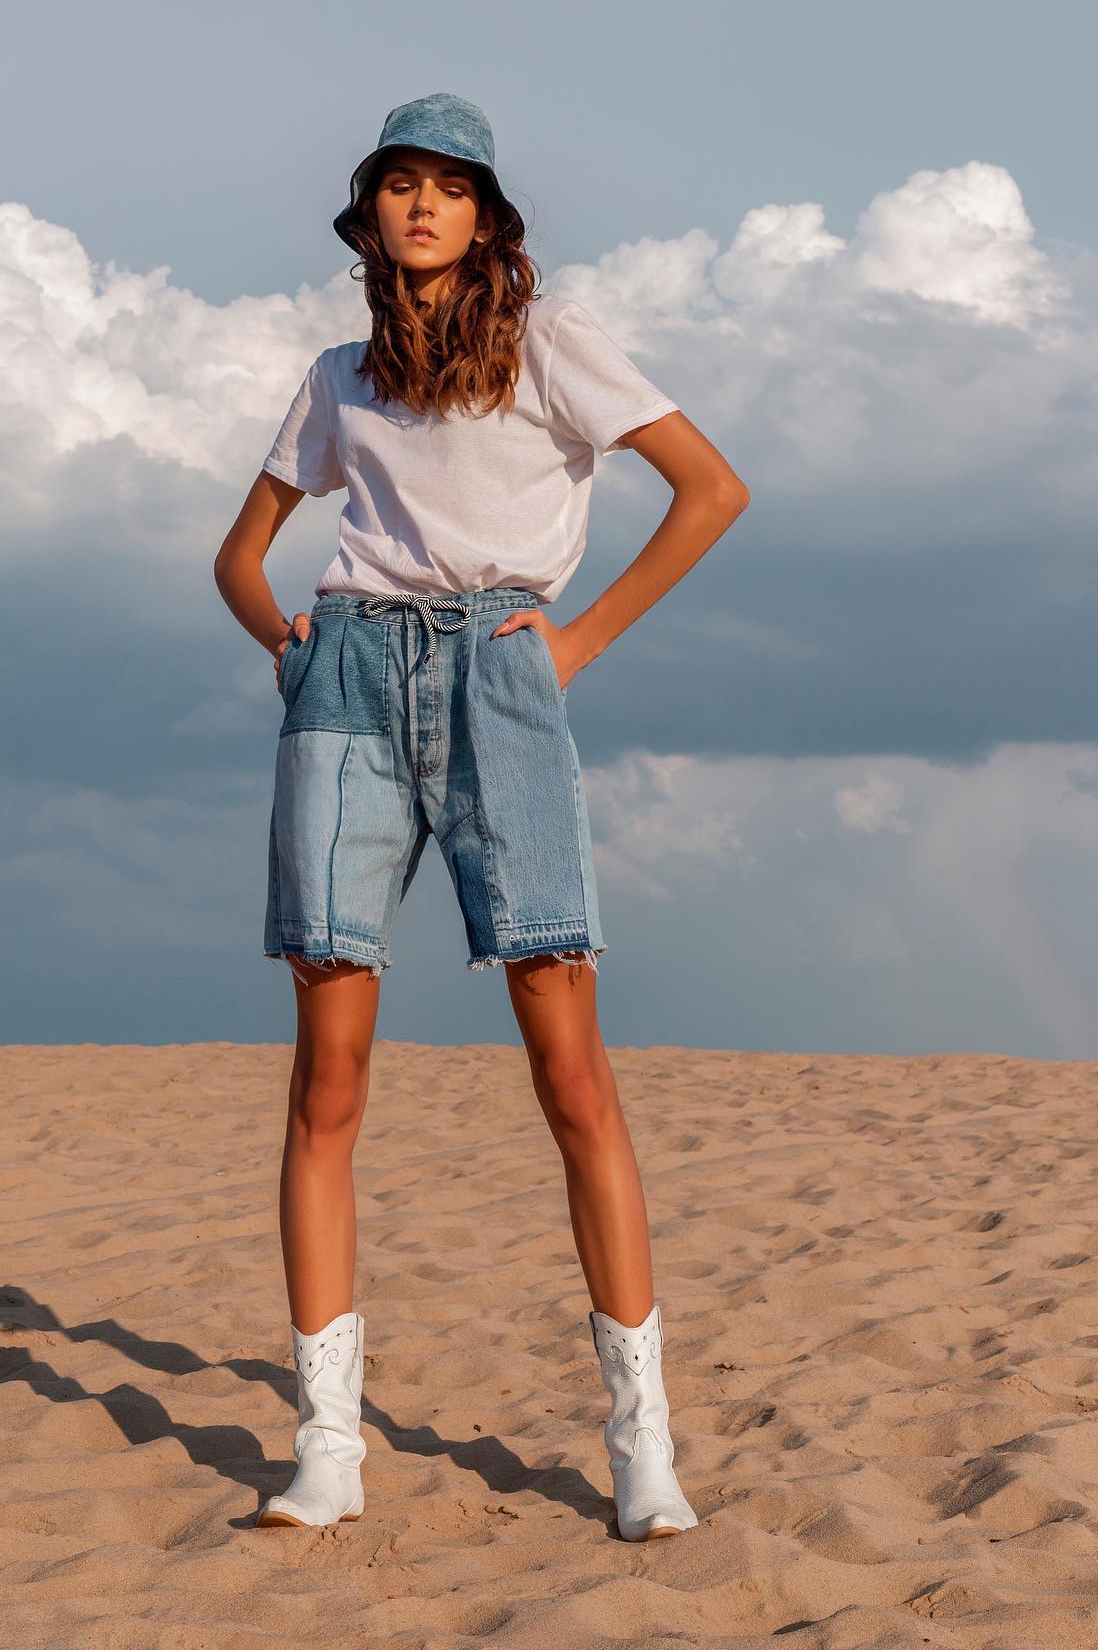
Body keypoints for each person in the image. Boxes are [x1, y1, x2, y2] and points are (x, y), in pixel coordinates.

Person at [213, 92, 749, 1542]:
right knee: (327, 1082)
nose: (424, 205)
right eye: (400, 184)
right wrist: (288, 647)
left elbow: (710, 490)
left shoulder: (553, 342)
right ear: (368, 214)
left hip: (502, 679)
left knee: (571, 1071)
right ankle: (329, 1446)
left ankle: (642, 1447)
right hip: (346, 682)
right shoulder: (337, 375)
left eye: (450, 186)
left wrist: (575, 645)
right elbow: (241, 554)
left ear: (489, 215)